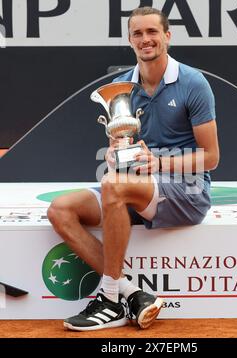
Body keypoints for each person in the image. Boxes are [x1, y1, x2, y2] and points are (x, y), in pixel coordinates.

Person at [47, 6, 219, 331]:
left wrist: (158, 161)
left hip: (187, 191)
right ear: (130, 39)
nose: (145, 39)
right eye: (138, 33)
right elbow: (122, 150)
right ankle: (132, 292)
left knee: (113, 185)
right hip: (136, 188)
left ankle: (110, 299)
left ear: (167, 36)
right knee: (60, 210)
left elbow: (210, 157)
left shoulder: (193, 83)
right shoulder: (121, 87)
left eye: (152, 32)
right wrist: (116, 154)